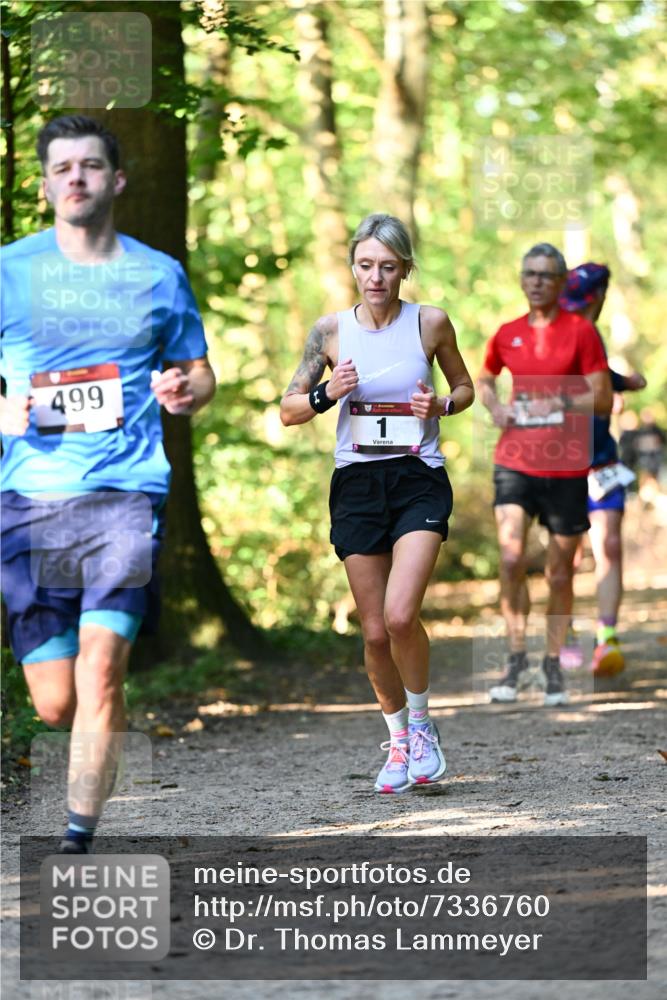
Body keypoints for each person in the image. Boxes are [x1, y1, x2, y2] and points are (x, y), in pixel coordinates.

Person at [0, 115, 215, 852]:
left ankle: (77, 832)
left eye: (90, 166)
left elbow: (198, 368)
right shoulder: (9, 270)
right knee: (55, 701)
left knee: (101, 669)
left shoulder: (157, 273)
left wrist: (187, 391)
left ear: (116, 180)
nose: (76, 178)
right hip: (29, 498)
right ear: (44, 185)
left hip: (125, 496)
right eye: (62, 168)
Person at [280, 213, 474, 793]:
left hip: (418, 477)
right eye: (366, 266)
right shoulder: (330, 332)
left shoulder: (431, 323)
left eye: (388, 267)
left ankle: (422, 726)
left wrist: (440, 406)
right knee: (371, 631)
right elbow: (288, 409)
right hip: (358, 484)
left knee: (398, 615)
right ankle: (395, 740)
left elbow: (464, 387)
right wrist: (325, 393)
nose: (376, 277)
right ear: (353, 268)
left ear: (405, 270)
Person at [477, 244, 612, 706]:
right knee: (512, 559)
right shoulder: (507, 333)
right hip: (514, 460)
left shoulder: (580, 332)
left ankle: (552, 664)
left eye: (546, 275)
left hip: (568, 463)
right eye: (529, 273)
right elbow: (484, 377)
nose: (536, 282)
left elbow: (602, 398)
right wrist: (493, 404)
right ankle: (515, 659)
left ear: (560, 283)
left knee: (559, 575)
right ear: (521, 279)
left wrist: (558, 403)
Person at [558, 263, 646, 676]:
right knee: (568, 557)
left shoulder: (593, 335)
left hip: (603, 459)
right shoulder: (554, 331)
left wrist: (624, 383)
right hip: (560, 463)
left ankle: (606, 639)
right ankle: (566, 634)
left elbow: (597, 376)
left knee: (608, 545)